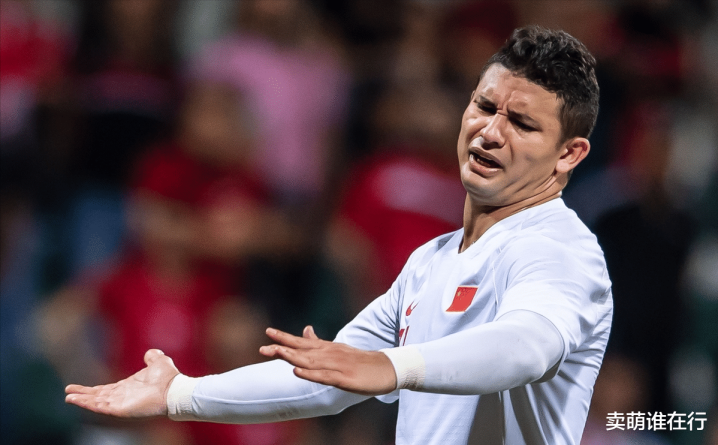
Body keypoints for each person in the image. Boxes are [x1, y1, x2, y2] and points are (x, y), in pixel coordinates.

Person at [65, 26, 613, 445]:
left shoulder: (559, 249)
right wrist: (179, 393)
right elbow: (324, 379)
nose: (490, 131)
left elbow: (527, 347)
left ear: (569, 154)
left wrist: (392, 366)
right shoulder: (430, 261)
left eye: (522, 123)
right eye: (484, 106)